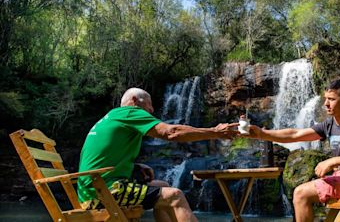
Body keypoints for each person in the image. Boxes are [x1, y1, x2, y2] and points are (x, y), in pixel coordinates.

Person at [77, 87, 239, 222]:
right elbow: (172, 132)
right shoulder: (129, 112)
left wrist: (134, 166)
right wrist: (215, 131)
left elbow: (100, 158)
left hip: (94, 189)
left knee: (164, 186)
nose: (152, 110)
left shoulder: (112, 117)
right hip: (103, 194)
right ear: (134, 101)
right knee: (174, 196)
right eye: (149, 104)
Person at [243, 79, 340, 222]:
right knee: (302, 191)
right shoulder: (329, 124)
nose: (326, 104)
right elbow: (294, 134)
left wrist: (333, 161)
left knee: (301, 194)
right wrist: (262, 134)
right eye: (325, 99)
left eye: (331, 99)